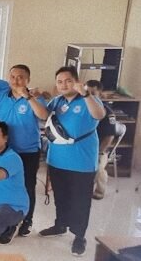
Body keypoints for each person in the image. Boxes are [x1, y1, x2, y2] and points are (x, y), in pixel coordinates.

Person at [39, 66, 105, 257]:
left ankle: (79, 236)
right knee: (61, 197)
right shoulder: (57, 102)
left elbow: (99, 115)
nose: (63, 85)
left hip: (82, 162)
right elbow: (43, 115)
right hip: (57, 160)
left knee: (80, 201)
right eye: (59, 82)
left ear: (76, 81)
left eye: (68, 80)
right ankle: (60, 225)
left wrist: (85, 94)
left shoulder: (89, 100)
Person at [0, 64, 48, 236]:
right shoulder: (0, 97)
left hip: (28, 151)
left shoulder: (34, 97)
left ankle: (27, 221)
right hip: (4, 151)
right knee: (4, 184)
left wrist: (28, 97)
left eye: (21, 77)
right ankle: (8, 219)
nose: (16, 80)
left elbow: (44, 116)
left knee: (28, 185)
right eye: (13, 77)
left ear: (28, 80)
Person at [86, 79, 116, 200]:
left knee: (98, 168)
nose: (89, 96)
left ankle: (99, 190)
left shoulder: (107, 112)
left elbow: (110, 136)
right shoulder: (82, 109)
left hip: (100, 148)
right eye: (87, 92)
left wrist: (99, 152)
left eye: (93, 93)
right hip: (84, 147)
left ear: (100, 95)